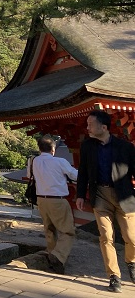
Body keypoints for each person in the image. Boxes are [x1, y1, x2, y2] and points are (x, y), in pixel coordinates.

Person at [75, 110, 135, 293]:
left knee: (132, 238)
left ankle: (131, 263)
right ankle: (114, 276)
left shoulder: (125, 147)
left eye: (90, 124)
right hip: (99, 194)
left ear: (103, 126)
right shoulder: (87, 147)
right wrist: (80, 195)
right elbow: (83, 171)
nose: (87, 127)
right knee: (106, 237)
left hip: (124, 195)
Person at [29, 134, 78, 275]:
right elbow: (74, 175)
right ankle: (58, 256)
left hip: (41, 199)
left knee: (49, 229)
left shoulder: (34, 161)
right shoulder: (60, 162)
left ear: (39, 148)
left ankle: (52, 255)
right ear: (53, 149)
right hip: (57, 199)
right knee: (67, 230)